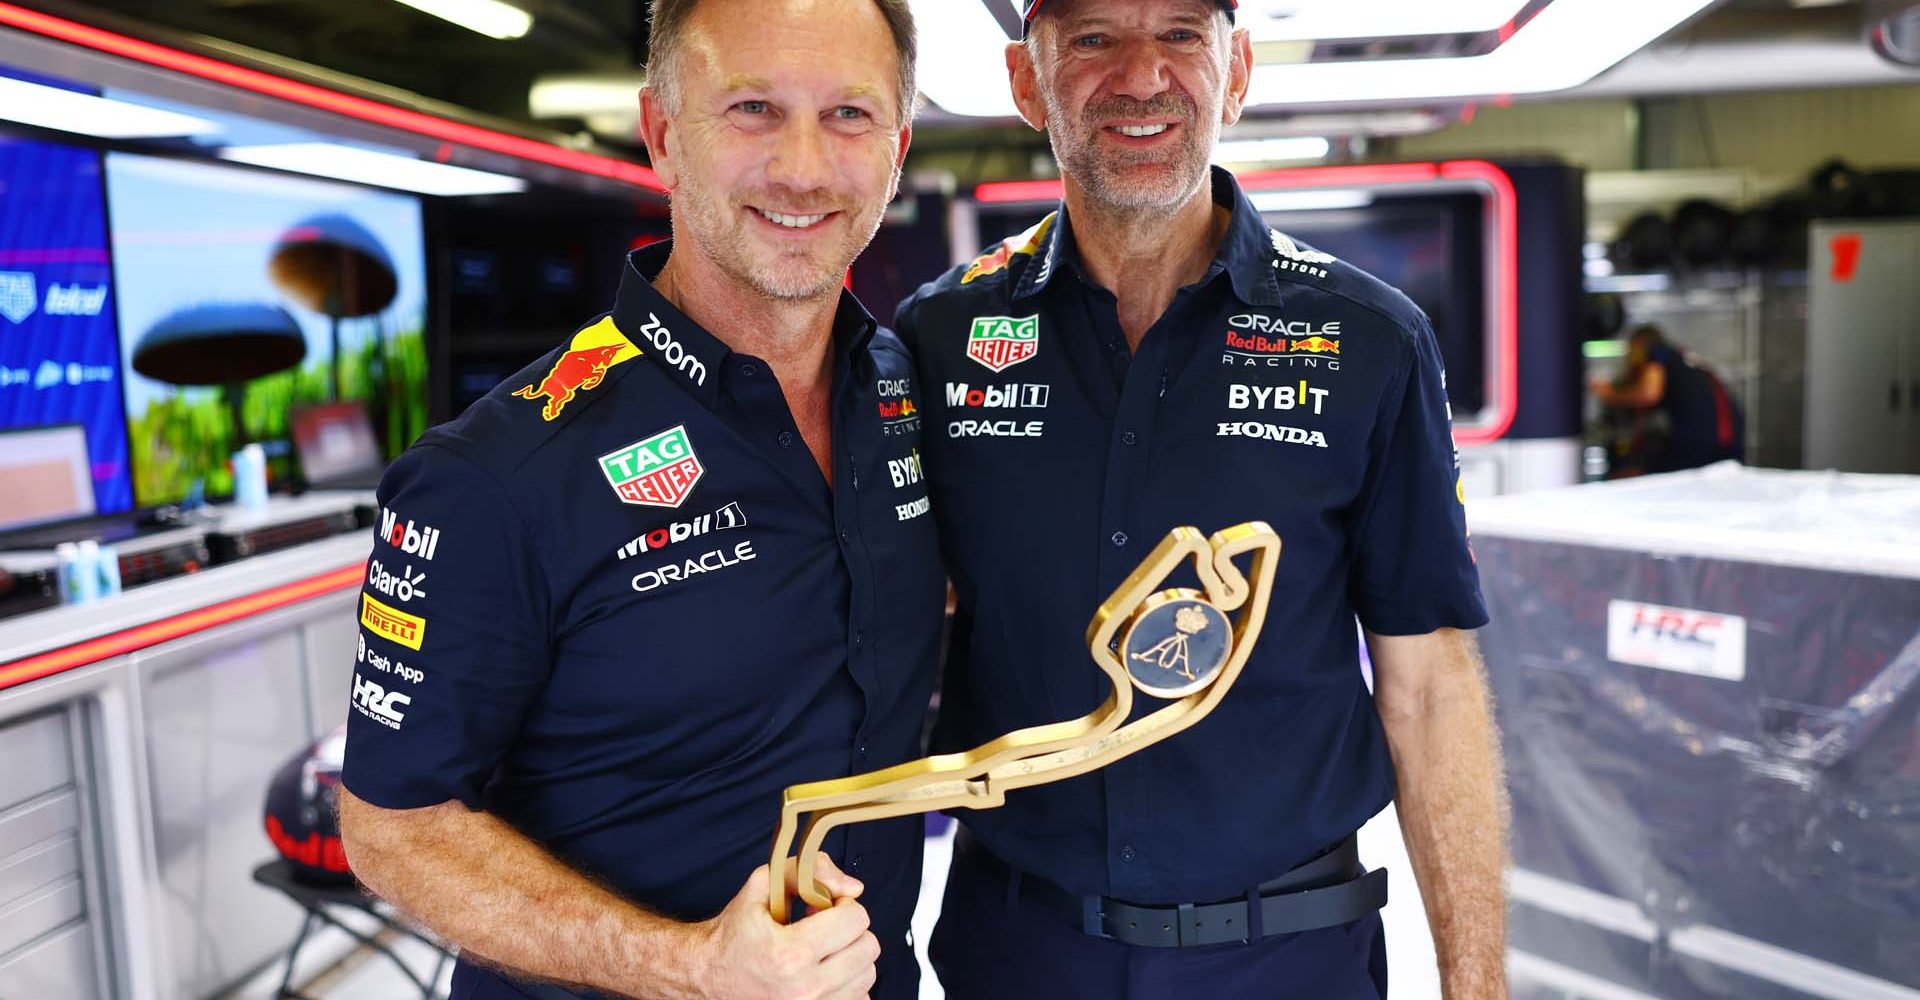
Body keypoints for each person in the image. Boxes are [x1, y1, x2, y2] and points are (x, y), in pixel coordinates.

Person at [893, 0, 1510, 996]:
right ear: (1024, 81)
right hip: (1022, 950)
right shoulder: (940, 338)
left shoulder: (1368, 341)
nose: (1143, 76)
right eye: (1094, 38)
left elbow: (1429, 685)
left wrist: (1477, 984)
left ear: (1236, 70)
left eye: (1181, 33)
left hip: (1288, 954)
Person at [335, 2, 942, 998]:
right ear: (662, 133)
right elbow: (393, 829)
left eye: (848, 115)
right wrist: (690, 967)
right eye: (751, 108)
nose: (802, 167)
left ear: (897, 147)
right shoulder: (496, 473)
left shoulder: (909, 395)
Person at [1591, 323, 1745, 476]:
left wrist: (1609, 394)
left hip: (1700, 440)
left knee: (1644, 477)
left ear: (1638, 343)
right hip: (1729, 438)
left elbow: (1649, 394)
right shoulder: (1683, 358)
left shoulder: (1657, 353)